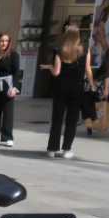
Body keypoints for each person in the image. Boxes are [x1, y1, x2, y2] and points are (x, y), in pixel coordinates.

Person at [46, 26, 93, 158]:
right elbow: (88, 69)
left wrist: (49, 68)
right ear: (78, 35)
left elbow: (56, 72)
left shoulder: (59, 50)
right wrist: (92, 84)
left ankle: (52, 149)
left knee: (57, 119)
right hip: (76, 89)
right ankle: (67, 149)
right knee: (72, 120)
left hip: (60, 88)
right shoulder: (84, 50)